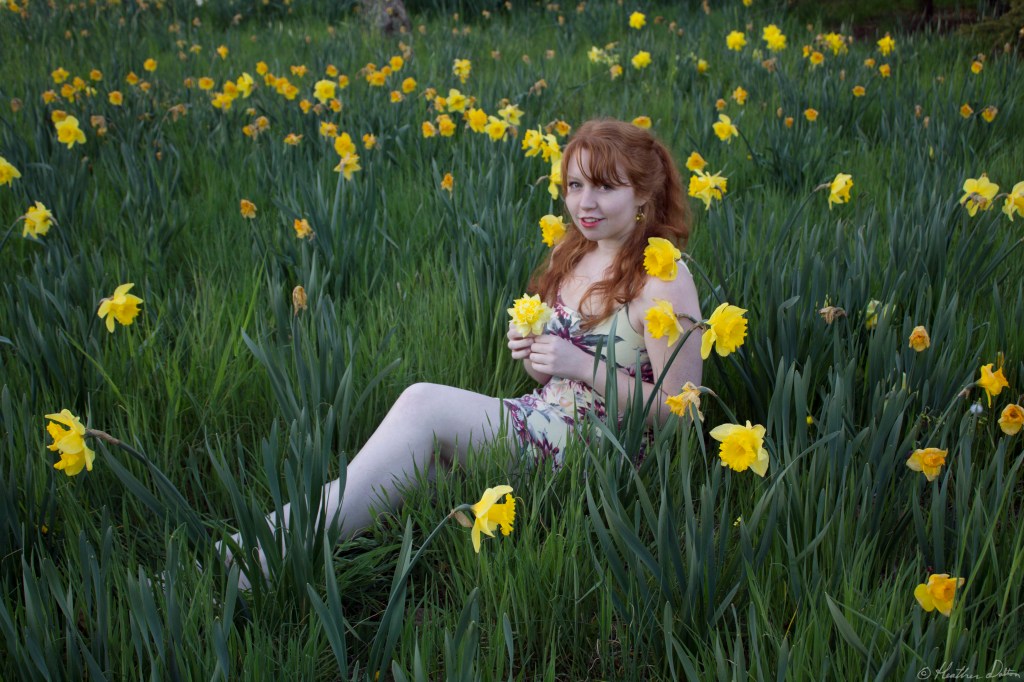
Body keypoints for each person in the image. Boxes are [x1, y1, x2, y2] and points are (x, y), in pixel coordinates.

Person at [224, 118, 702, 588]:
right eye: (574, 185)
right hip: (541, 420)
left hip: (598, 458)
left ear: (642, 193)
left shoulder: (662, 277)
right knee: (401, 476)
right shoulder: (573, 252)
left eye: (604, 187)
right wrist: (534, 358)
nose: (584, 202)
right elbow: (555, 385)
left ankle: (246, 564)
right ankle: (240, 568)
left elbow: (682, 413)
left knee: (420, 405)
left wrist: (581, 364)